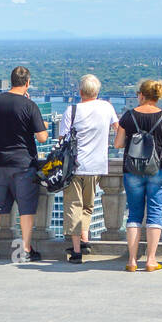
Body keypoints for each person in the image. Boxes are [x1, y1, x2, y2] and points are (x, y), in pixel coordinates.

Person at [115, 80, 162, 271]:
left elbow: (118, 143)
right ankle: (151, 260)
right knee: (154, 212)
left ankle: (132, 261)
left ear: (141, 95)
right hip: (158, 168)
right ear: (157, 97)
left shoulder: (128, 116)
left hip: (132, 169)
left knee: (134, 214)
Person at [0, 67, 49, 263]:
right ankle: (26, 250)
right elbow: (42, 138)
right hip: (23, 163)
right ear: (27, 83)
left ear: (11, 80)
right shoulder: (30, 106)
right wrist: (40, 124)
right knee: (26, 208)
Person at [60, 74, 118, 263]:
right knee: (88, 206)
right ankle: (84, 239)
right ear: (97, 92)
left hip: (74, 166)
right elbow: (118, 129)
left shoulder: (72, 110)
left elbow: (62, 139)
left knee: (73, 206)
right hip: (96, 165)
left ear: (80, 92)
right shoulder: (107, 107)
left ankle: (76, 250)